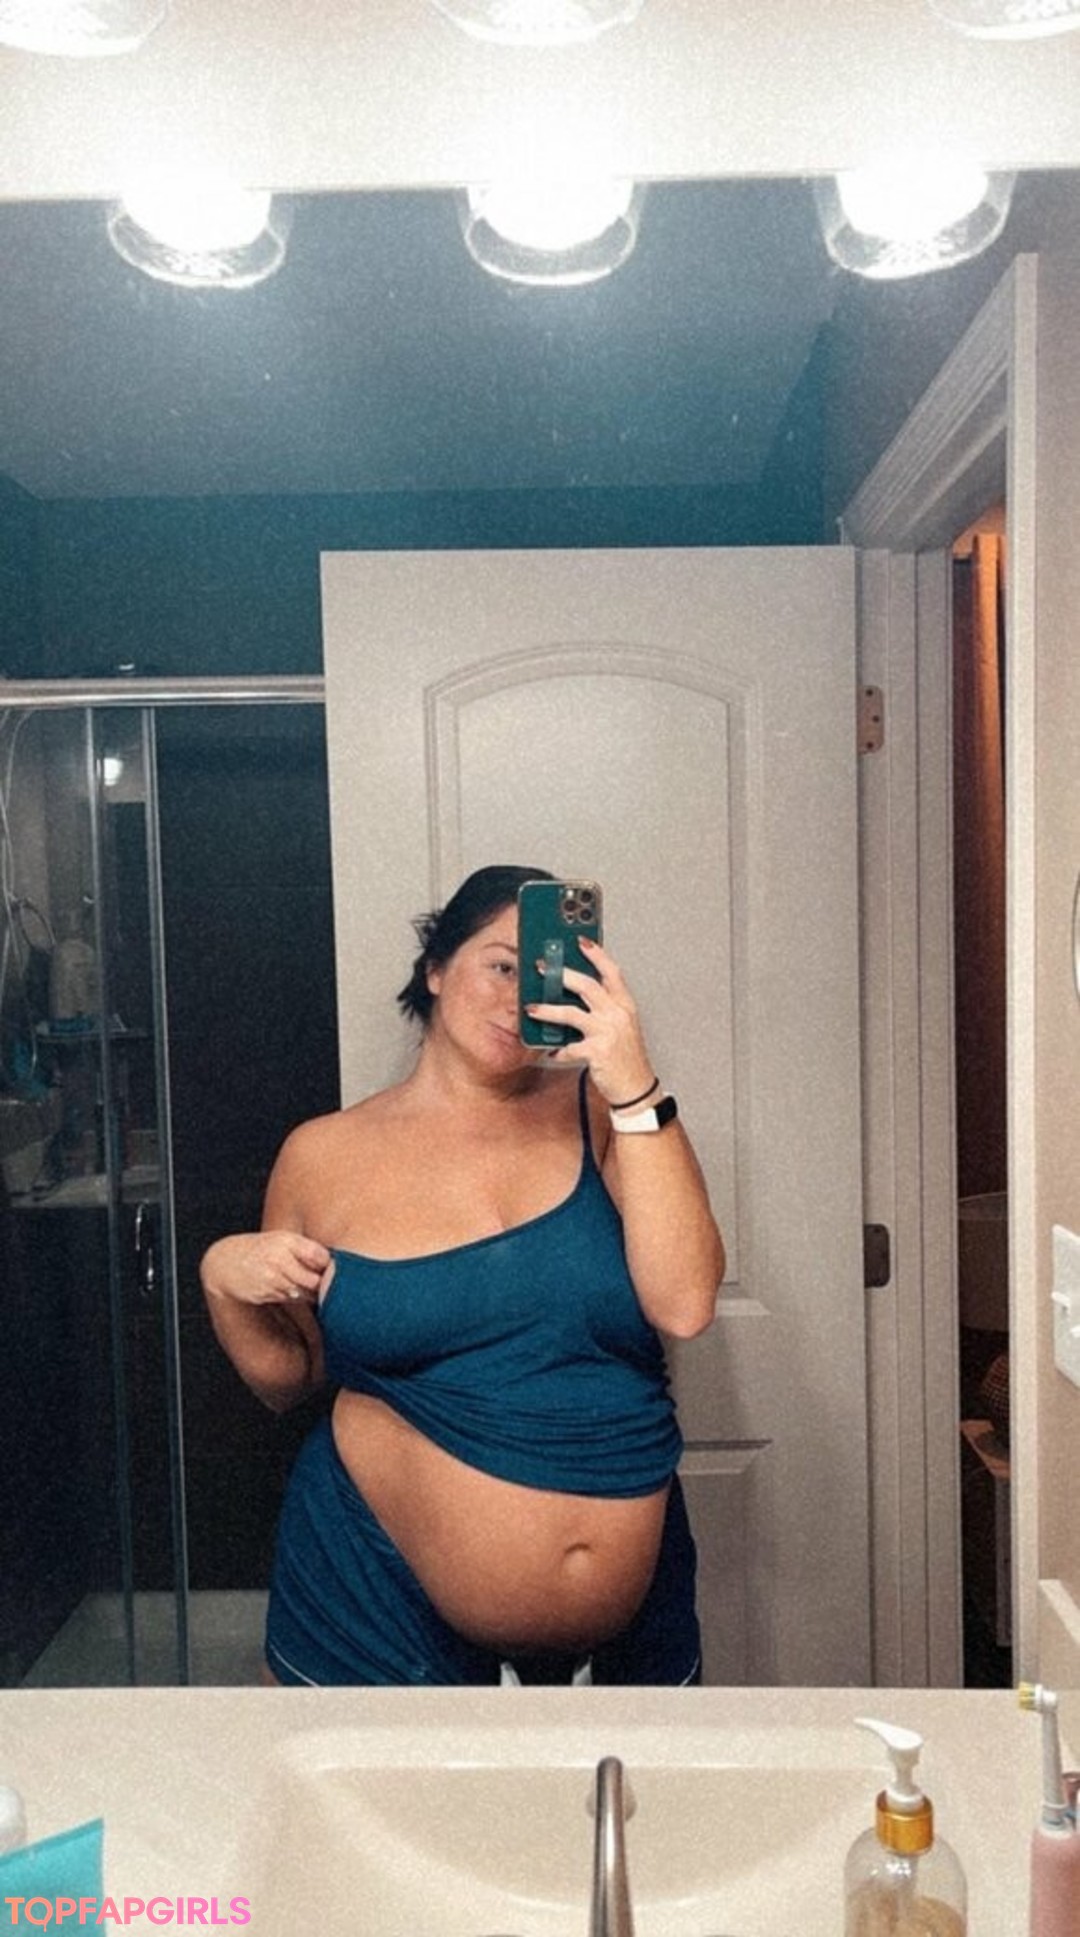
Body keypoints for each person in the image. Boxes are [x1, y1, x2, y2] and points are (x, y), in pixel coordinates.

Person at [200, 863, 725, 1686]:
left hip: (632, 1623)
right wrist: (221, 1283)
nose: (519, 997)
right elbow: (290, 1377)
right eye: (501, 965)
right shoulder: (322, 1154)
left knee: (640, 1778)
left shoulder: (609, 1113)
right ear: (436, 968)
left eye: (545, 971)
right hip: (372, 1600)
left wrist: (634, 1081)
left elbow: (686, 1302)